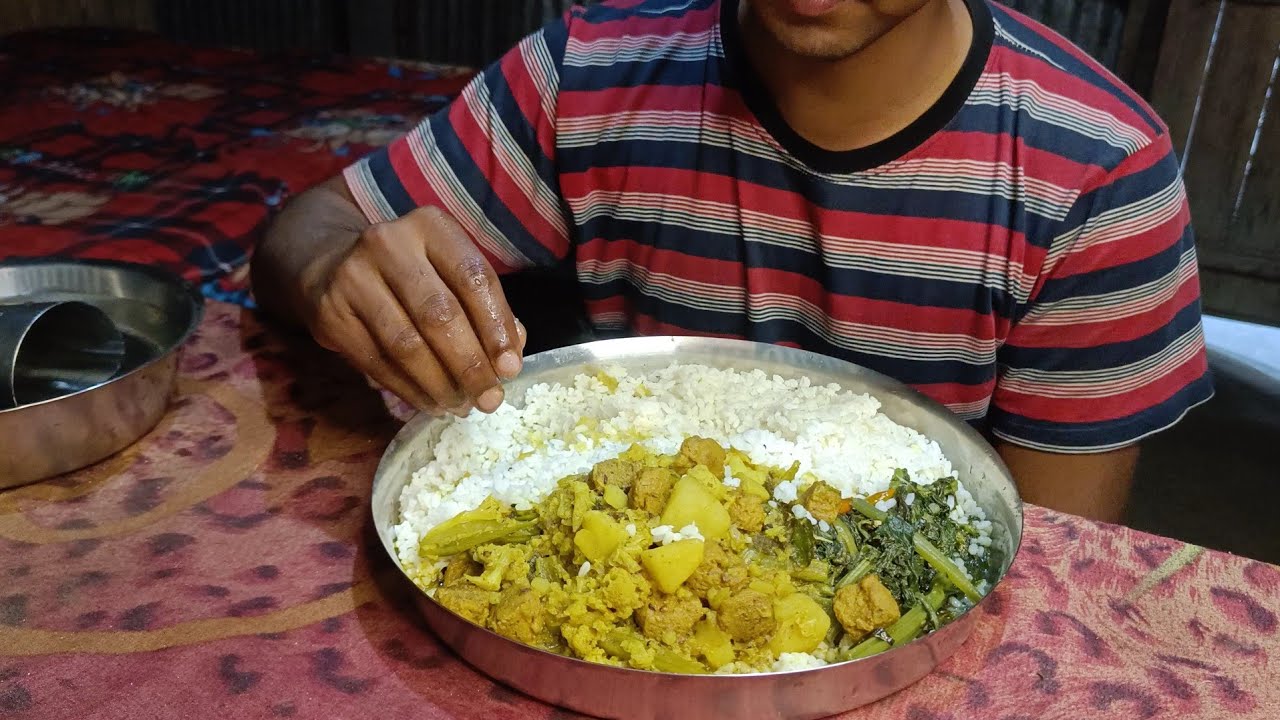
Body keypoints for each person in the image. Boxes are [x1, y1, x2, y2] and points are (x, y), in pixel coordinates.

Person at [252, 0, 1213, 523]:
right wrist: (332, 271)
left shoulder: (1099, 172)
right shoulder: (584, 74)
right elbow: (307, 229)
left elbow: (1051, 568)